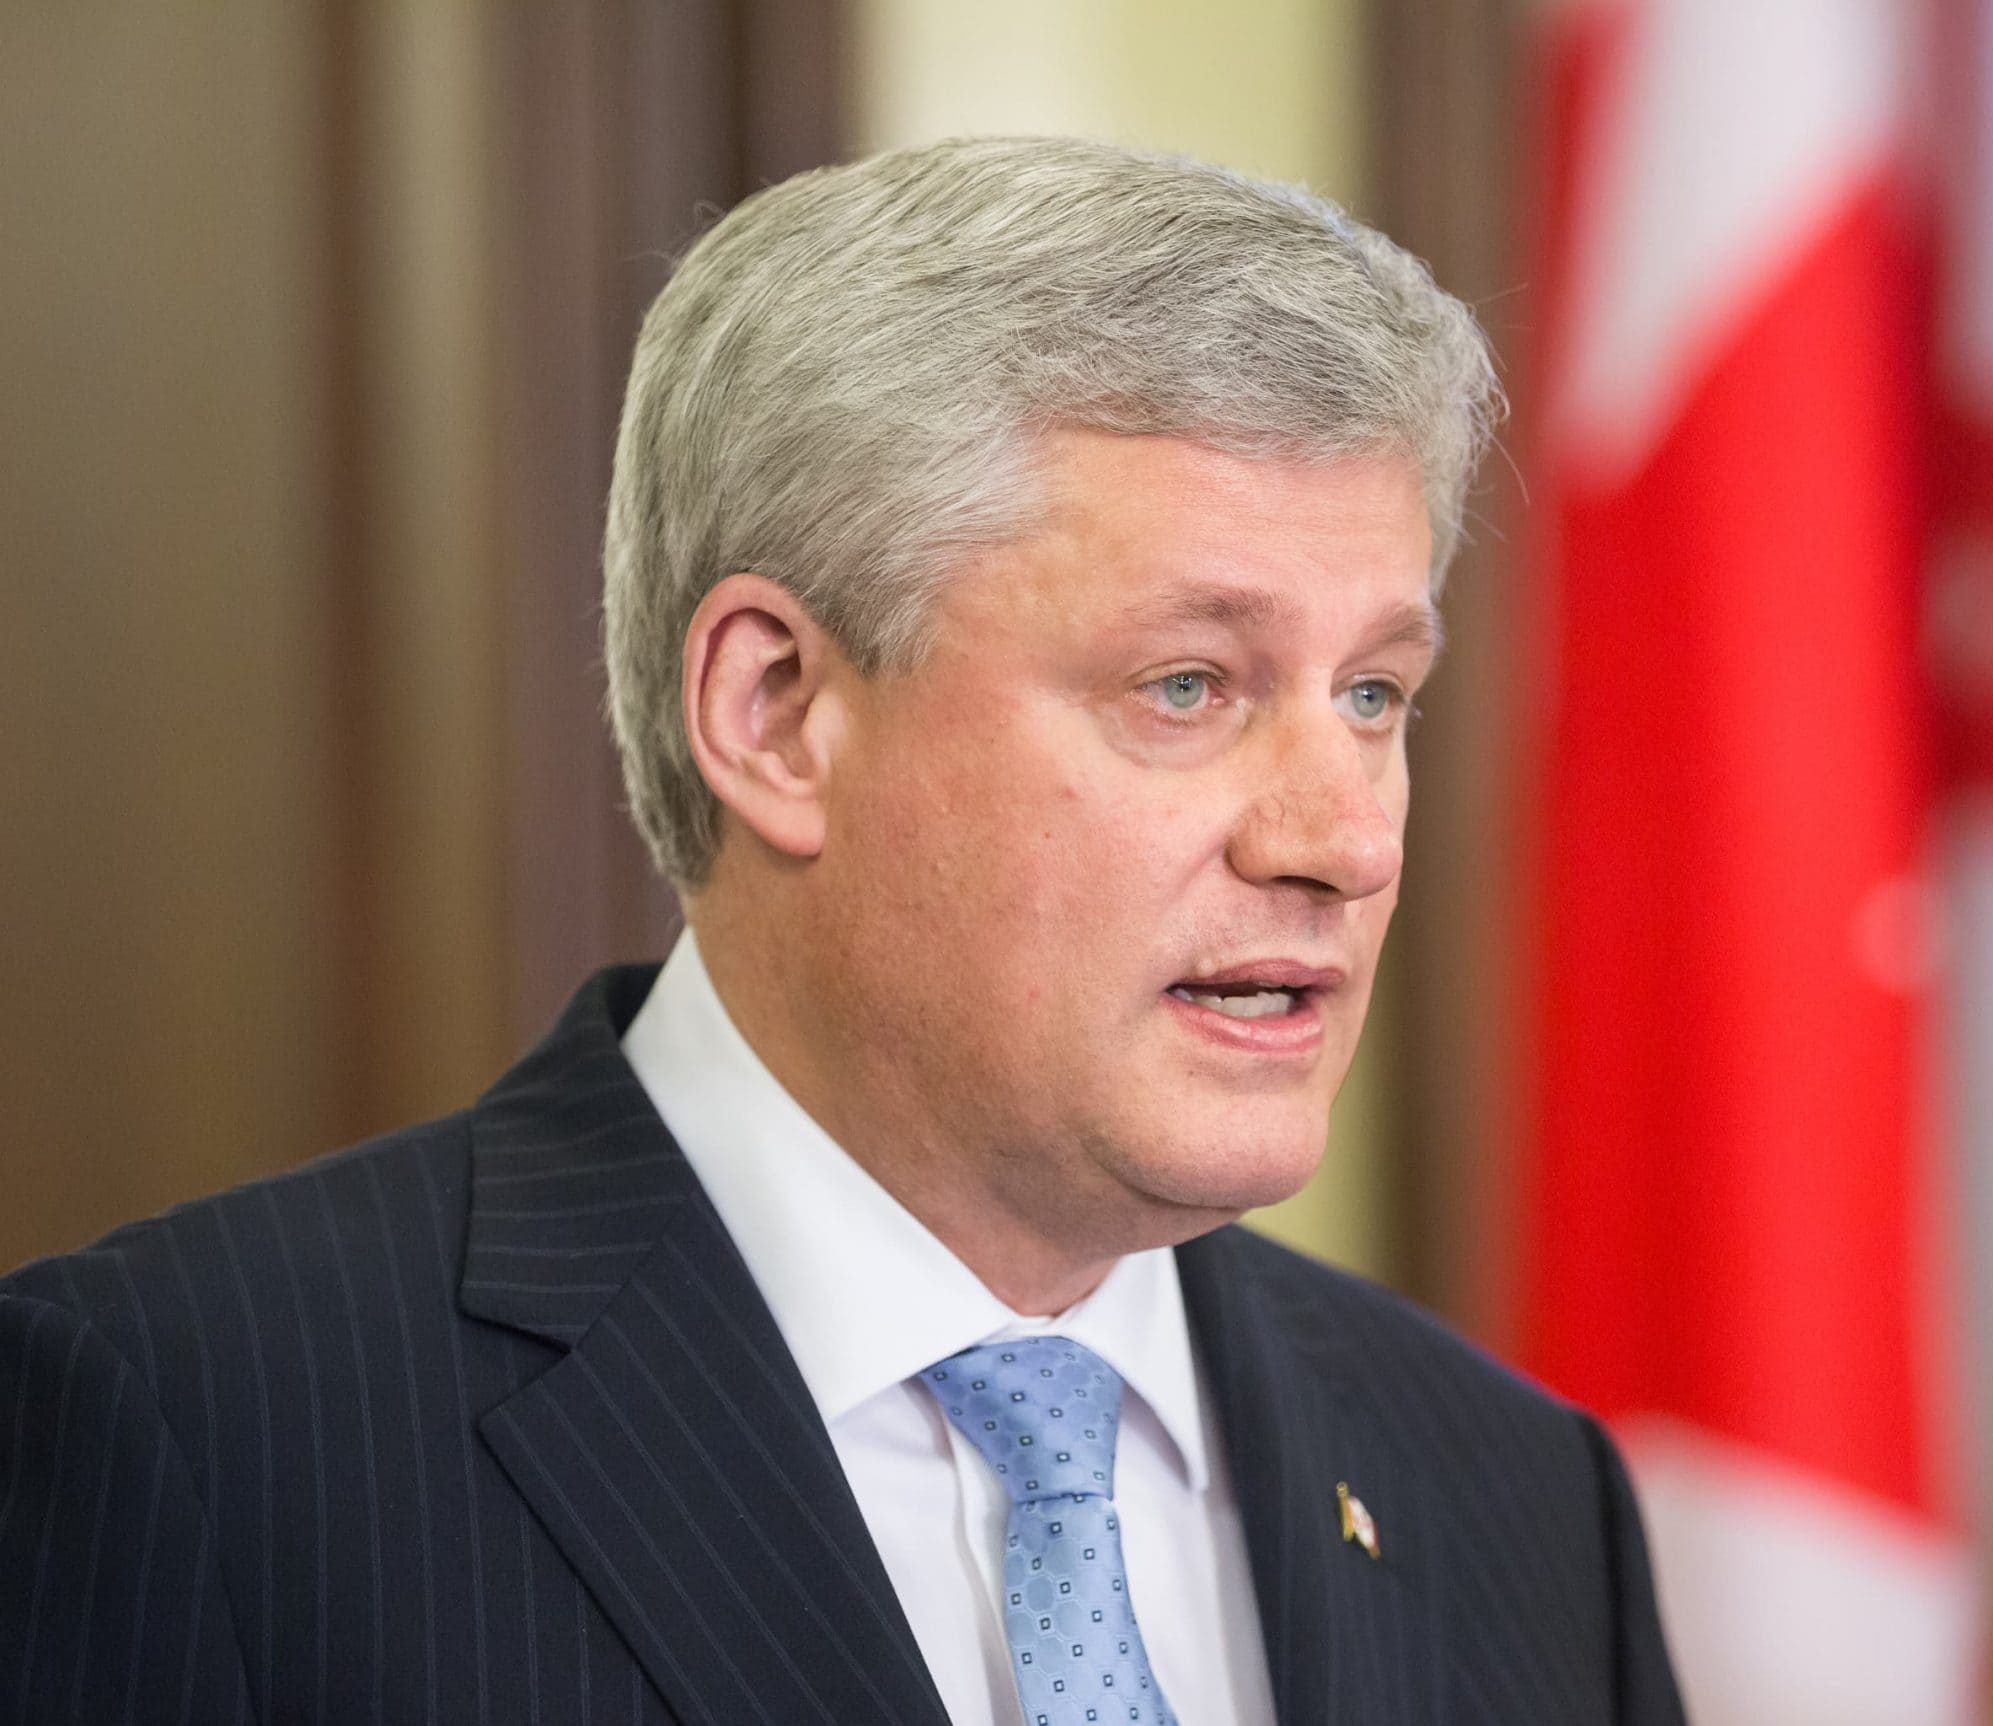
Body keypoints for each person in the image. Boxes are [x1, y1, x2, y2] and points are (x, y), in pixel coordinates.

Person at [0, 137, 1683, 1725]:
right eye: (1188, 683)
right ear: (777, 709)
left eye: (1376, 691)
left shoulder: (1517, 1496)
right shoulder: (187, 1429)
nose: (1345, 835)